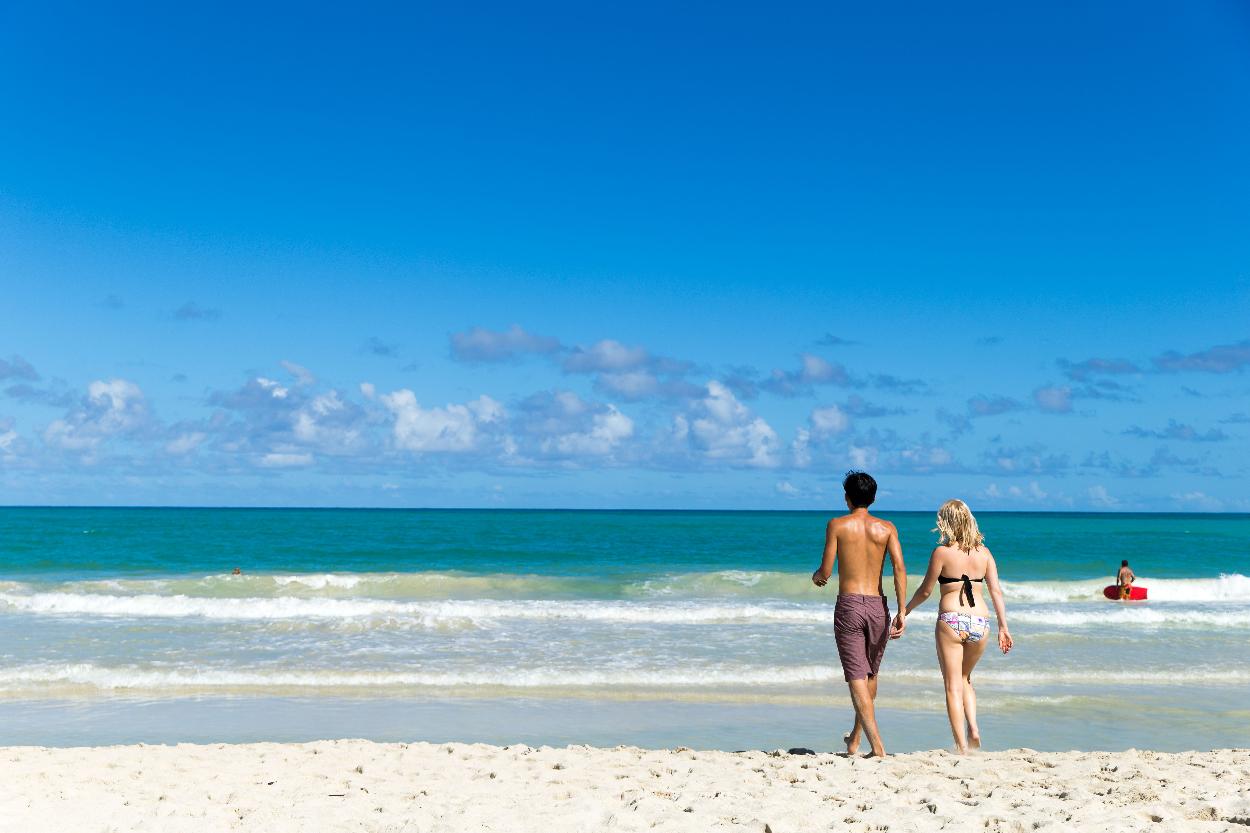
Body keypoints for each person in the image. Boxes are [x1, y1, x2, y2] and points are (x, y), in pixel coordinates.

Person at [898, 499, 1012, 754]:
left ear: (945, 523)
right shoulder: (984, 553)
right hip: (981, 622)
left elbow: (926, 590)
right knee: (965, 679)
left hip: (951, 620)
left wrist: (904, 611)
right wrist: (1004, 627)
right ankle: (974, 728)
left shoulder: (942, 552)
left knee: (952, 685)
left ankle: (961, 745)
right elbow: (996, 591)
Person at [811, 470, 907, 757]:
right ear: (874, 498)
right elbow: (899, 568)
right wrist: (902, 610)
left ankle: (877, 746)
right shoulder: (887, 528)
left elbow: (826, 570)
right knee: (870, 673)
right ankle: (854, 740)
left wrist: (817, 577)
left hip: (850, 605)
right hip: (878, 605)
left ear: (846, 497)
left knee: (856, 675)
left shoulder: (838, 525)